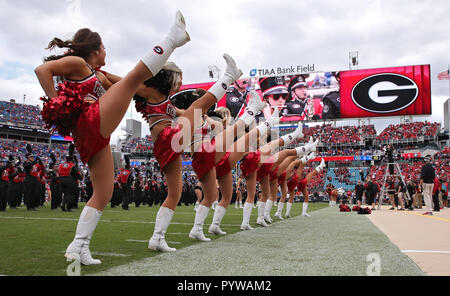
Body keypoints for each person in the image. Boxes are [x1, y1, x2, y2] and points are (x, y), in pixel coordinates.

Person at [35, 11, 191, 263]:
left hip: (93, 133)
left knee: (104, 192)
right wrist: (56, 103)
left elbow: (119, 87)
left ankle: (79, 246)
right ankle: (172, 38)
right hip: (89, 124)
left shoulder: (94, 72)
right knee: (133, 79)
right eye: (104, 47)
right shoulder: (78, 63)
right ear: (95, 50)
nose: (106, 51)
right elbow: (42, 69)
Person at [133, 52, 243, 250]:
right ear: (167, 77)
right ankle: (230, 79)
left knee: (178, 194)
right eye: (178, 78)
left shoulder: (170, 105)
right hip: (172, 140)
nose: (180, 82)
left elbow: (195, 114)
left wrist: (221, 116)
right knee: (202, 108)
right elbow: (125, 82)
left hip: (170, 145)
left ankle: (158, 239)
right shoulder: (151, 93)